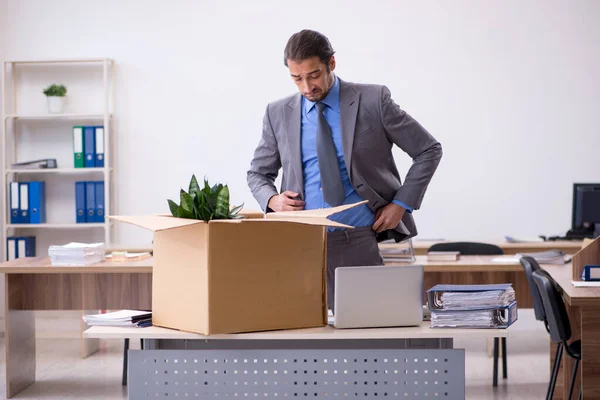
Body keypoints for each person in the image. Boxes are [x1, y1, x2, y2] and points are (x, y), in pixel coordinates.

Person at [247, 29, 442, 309]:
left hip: (359, 240)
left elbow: (428, 150)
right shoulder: (278, 112)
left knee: (366, 337)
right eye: (296, 78)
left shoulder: (373, 100)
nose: (306, 87)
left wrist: (401, 204)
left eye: (313, 75)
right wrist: (271, 199)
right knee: (302, 340)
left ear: (332, 64)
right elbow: (257, 173)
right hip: (300, 244)